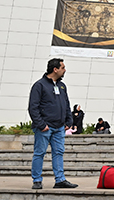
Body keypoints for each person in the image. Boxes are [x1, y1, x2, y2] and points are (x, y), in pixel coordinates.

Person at [27, 57, 77, 189]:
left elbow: (66, 104)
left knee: (58, 153)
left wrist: (68, 120)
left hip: (59, 127)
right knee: (39, 153)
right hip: (45, 128)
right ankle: (37, 180)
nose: (65, 70)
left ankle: (60, 179)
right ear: (55, 69)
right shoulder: (40, 85)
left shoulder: (62, 86)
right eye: (63, 68)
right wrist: (41, 125)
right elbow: (33, 107)